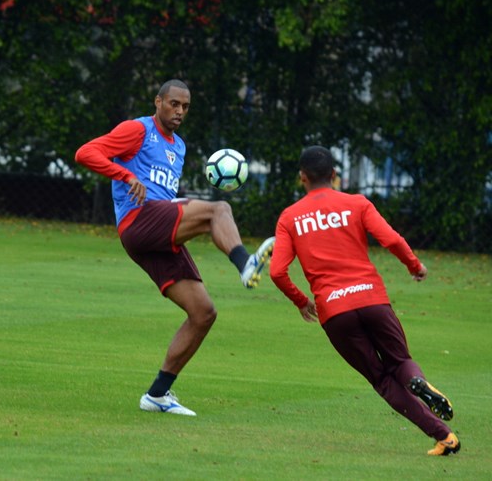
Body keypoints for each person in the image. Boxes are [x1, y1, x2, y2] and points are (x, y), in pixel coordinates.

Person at [75, 79, 275, 416]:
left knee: (203, 313)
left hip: (156, 230)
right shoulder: (138, 129)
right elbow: (85, 153)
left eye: (185, 106)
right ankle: (245, 263)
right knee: (219, 209)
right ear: (158, 102)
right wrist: (126, 177)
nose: (179, 111)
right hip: (138, 221)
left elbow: (167, 197)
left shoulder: (178, 146)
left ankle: (157, 394)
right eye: (174, 104)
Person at [269, 145, 460, 456]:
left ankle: (444, 436)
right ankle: (418, 382)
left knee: (382, 380)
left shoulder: (290, 217)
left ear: (301, 177)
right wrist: (415, 266)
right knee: (400, 362)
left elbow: (278, 271)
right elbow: (391, 239)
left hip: (334, 311)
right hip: (372, 299)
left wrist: (302, 301)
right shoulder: (356, 203)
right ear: (334, 175)